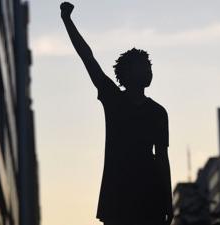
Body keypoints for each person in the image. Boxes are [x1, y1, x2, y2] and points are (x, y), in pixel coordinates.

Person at [60, 2, 173, 225]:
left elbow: (162, 158)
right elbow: (88, 57)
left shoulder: (158, 112)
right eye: (143, 66)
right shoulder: (114, 99)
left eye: (149, 66)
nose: (148, 70)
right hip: (119, 196)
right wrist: (67, 20)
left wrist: (168, 202)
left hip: (148, 197)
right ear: (127, 73)